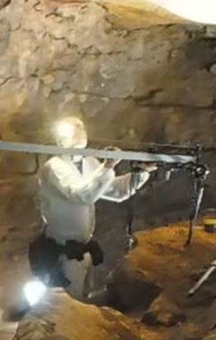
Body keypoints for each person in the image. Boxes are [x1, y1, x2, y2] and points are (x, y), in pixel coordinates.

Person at [29, 116, 150, 300]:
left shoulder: (89, 162)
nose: (78, 132)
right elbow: (82, 195)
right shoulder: (54, 167)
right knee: (67, 305)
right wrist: (107, 167)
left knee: (84, 300)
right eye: (72, 129)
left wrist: (141, 173)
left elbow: (115, 191)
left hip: (84, 247)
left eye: (80, 128)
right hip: (64, 250)